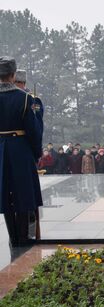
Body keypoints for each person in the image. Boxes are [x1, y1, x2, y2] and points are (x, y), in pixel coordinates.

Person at [0, 57, 43, 246]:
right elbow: (33, 131)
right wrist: (36, 153)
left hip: (1, 149)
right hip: (20, 149)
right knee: (23, 194)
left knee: (6, 194)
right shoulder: (24, 98)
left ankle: (13, 237)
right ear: (13, 74)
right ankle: (24, 238)